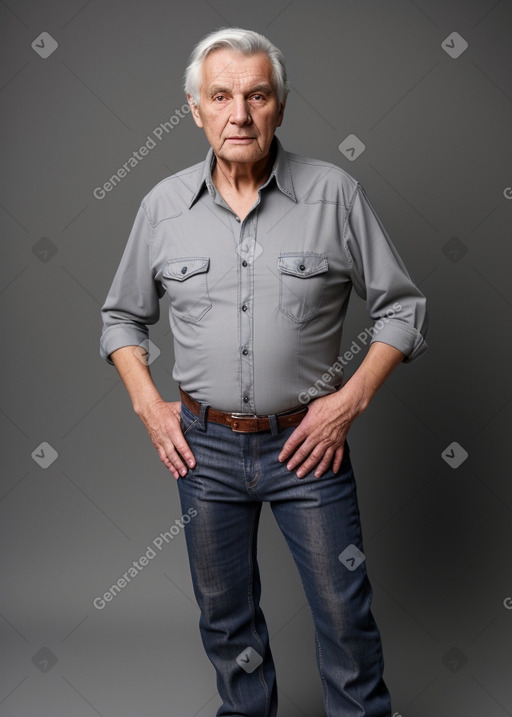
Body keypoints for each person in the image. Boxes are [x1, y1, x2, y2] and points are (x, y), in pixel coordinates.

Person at [100, 27, 427, 717]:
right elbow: (120, 319)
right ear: (195, 108)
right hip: (204, 447)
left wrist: (348, 401)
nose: (239, 114)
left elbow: (404, 308)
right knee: (225, 618)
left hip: (309, 445)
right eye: (221, 96)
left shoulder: (334, 195)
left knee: (344, 611)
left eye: (256, 95)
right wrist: (150, 407)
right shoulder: (162, 208)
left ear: (279, 105)